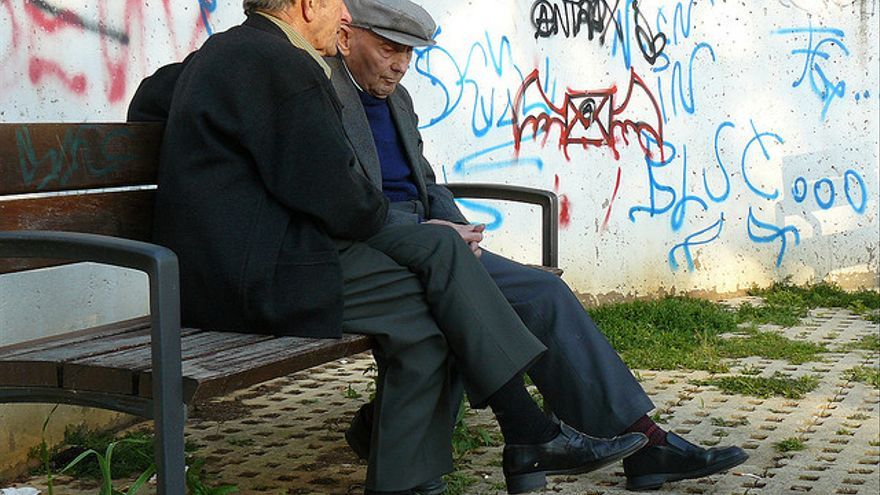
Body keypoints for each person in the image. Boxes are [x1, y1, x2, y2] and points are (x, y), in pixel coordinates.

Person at [129, 1, 648, 494]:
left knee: (425, 322)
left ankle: (415, 476)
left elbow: (149, 102)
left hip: (243, 264)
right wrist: (424, 231)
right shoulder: (281, 65)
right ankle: (527, 428)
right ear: (308, 6)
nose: (345, 15)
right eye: (338, 6)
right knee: (440, 261)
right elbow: (338, 196)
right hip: (251, 277)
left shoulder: (235, 51)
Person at [328, 0, 750, 491]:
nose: (401, 63)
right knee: (448, 315)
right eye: (388, 49)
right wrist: (438, 238)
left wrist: (454, 225)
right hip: (376, 247)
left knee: (543, 293)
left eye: (410, 52)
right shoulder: (322, 94)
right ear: (346, 38)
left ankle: (646, 442)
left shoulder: (398, 99)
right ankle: (500, 440)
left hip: (433, 243)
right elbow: (345, 201)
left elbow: (425, 182)